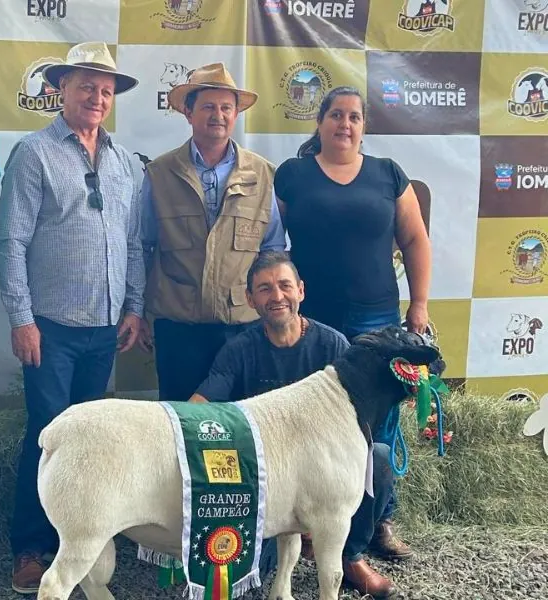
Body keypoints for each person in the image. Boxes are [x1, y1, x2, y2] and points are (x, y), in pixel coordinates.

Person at [0, 41, 145, 594]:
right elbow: (10, 242)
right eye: (86, 86)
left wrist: (133, 306)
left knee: (91, 447)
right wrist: (22, 319)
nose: (97, 97)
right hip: (51, 329)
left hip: (106, 329)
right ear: (61, 90)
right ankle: (30, 548)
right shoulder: (32, 153)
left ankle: (80, 545)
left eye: (106, 90)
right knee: (48, 438)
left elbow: (132, 242)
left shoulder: (125, 161)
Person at [273, 86, 432, 560]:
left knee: (378, 427)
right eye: (336, 115)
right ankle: (303, 527)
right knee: (309, 424)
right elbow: (269, 246)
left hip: (377, 320)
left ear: (364, 126)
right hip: (312, 320)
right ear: (319, 122)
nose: (346, 124)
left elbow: (417, 241)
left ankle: (376, 524)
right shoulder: (292, 175)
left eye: (355, 117)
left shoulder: (388, 174)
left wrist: (419, 307)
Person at [190, 250, 399, 598]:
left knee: (376, 456)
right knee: (252, 571)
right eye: (265, 289)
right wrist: (173, 428)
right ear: (250, 299)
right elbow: (202, 405)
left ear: (301, 291)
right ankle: (292, 549)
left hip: (326, 469)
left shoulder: (334, 345)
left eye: (285, 286)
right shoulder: (238, 349)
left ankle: (350, 556)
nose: (277, 296)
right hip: (269, 479)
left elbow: (361, 416)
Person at [139, 62, 287, 402]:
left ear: (236, 115)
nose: (217, 115)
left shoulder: (263, 174)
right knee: (181, 424)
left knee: (241, 424)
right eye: (207, 106)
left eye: (226, 107)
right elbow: (143, 246)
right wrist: (140, 310)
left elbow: (273, 249)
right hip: (178, 330)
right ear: (188, 113)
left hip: (244, 328)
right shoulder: (160, 173)